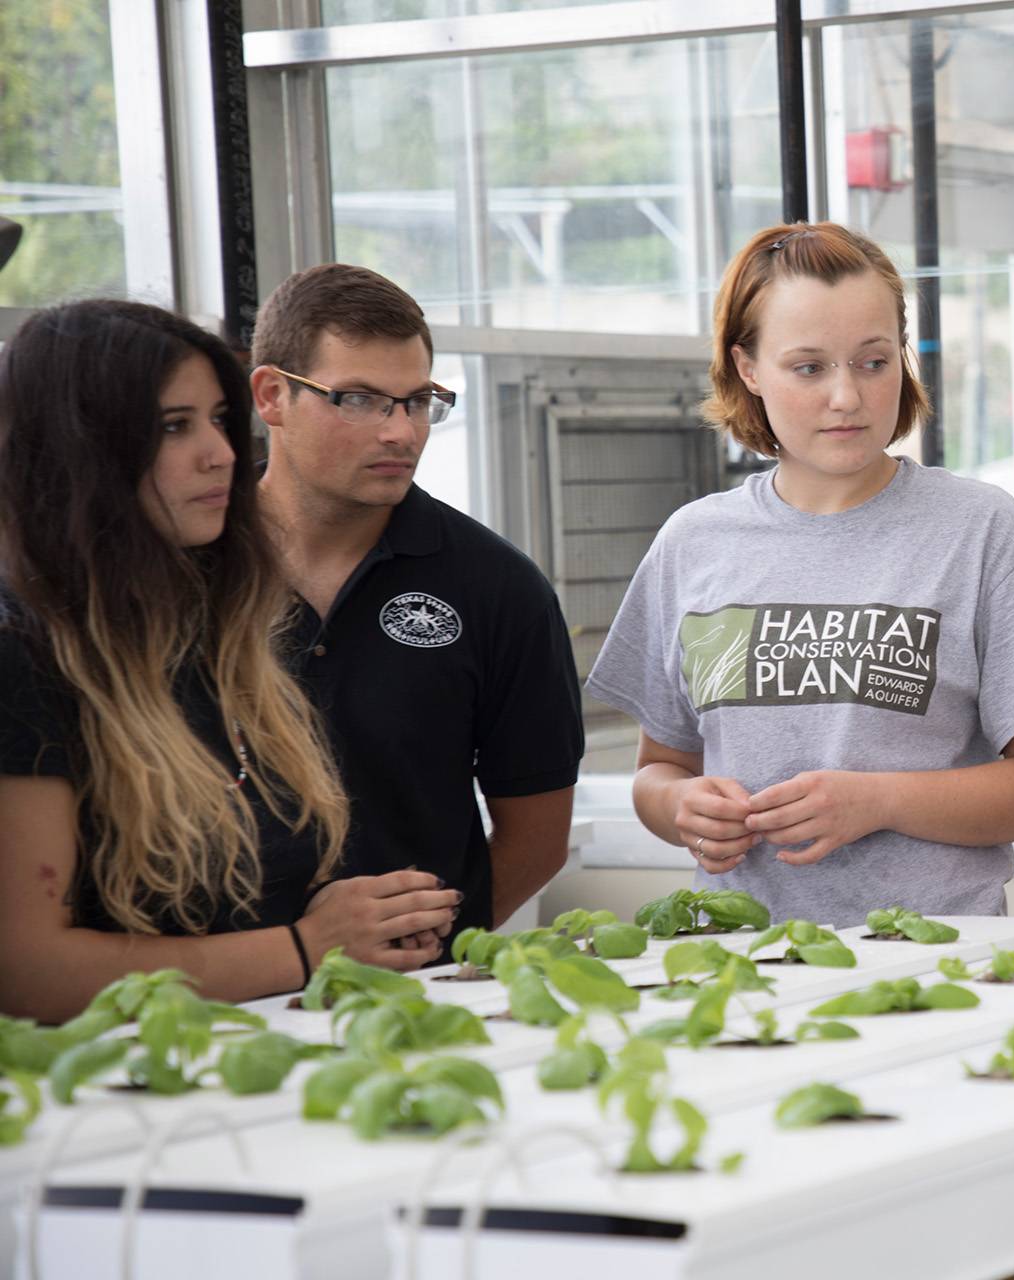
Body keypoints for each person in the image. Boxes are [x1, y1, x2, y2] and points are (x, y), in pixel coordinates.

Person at [585, 221, 1014, 926]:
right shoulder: (692, 544)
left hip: (937, 965)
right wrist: (679, 807)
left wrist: (878, 801)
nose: (847, 397)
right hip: (744, 963)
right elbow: (659, 769)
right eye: (810, 367)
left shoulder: (981, 531)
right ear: (749, 368)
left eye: (873, 362)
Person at [0, 300, 461, 1022]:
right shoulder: (21, 648)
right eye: (173, 427)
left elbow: (223, 902)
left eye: (218, 419)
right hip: (99, 1103)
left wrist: (358, 920)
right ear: (78, 445)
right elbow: (28, 972)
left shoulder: (205, 628)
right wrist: (307, 948)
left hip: (251, 1070)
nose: (218, 453)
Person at [249, 265, 585, 944]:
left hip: (418, 1000)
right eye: (360, 400)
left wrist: (431, 945)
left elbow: (538, 838)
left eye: (419, 400)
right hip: (201, 998)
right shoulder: (177, 576)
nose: (402, 433)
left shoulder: (500, 589)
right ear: (272, 395)